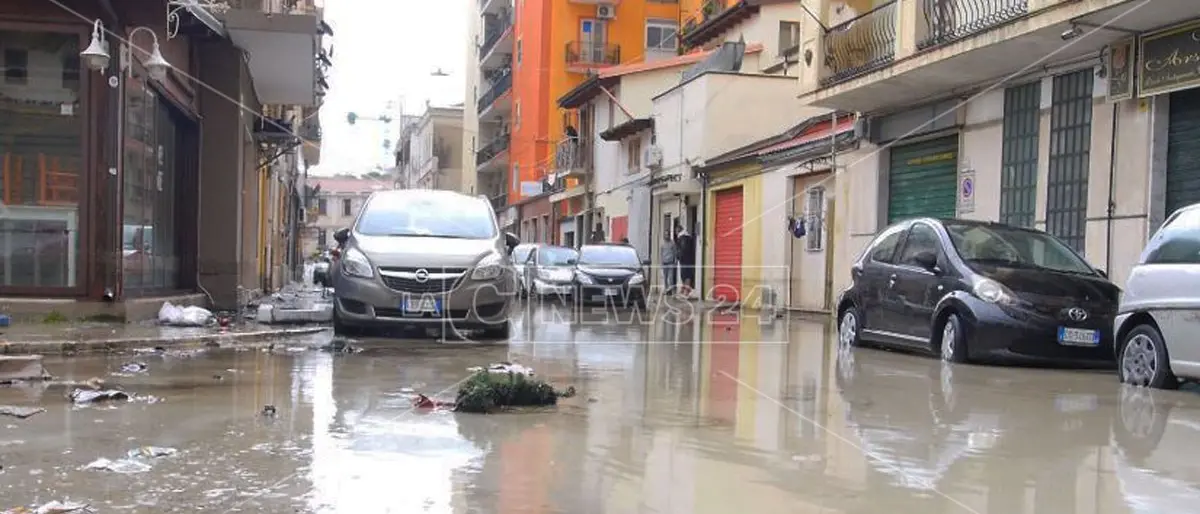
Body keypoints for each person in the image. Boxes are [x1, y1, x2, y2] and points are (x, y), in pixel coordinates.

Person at [675, 224, 696, 298]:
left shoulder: (682, 238)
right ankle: (684, 290)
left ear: (678, 230)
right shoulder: (688, 237)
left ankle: (686, 291)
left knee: (685, 275)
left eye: (676, 231)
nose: (676, 232)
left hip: (685, 260)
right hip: (689, 259)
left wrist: (678, 257)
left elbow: (682, 250)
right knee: (687, 275)